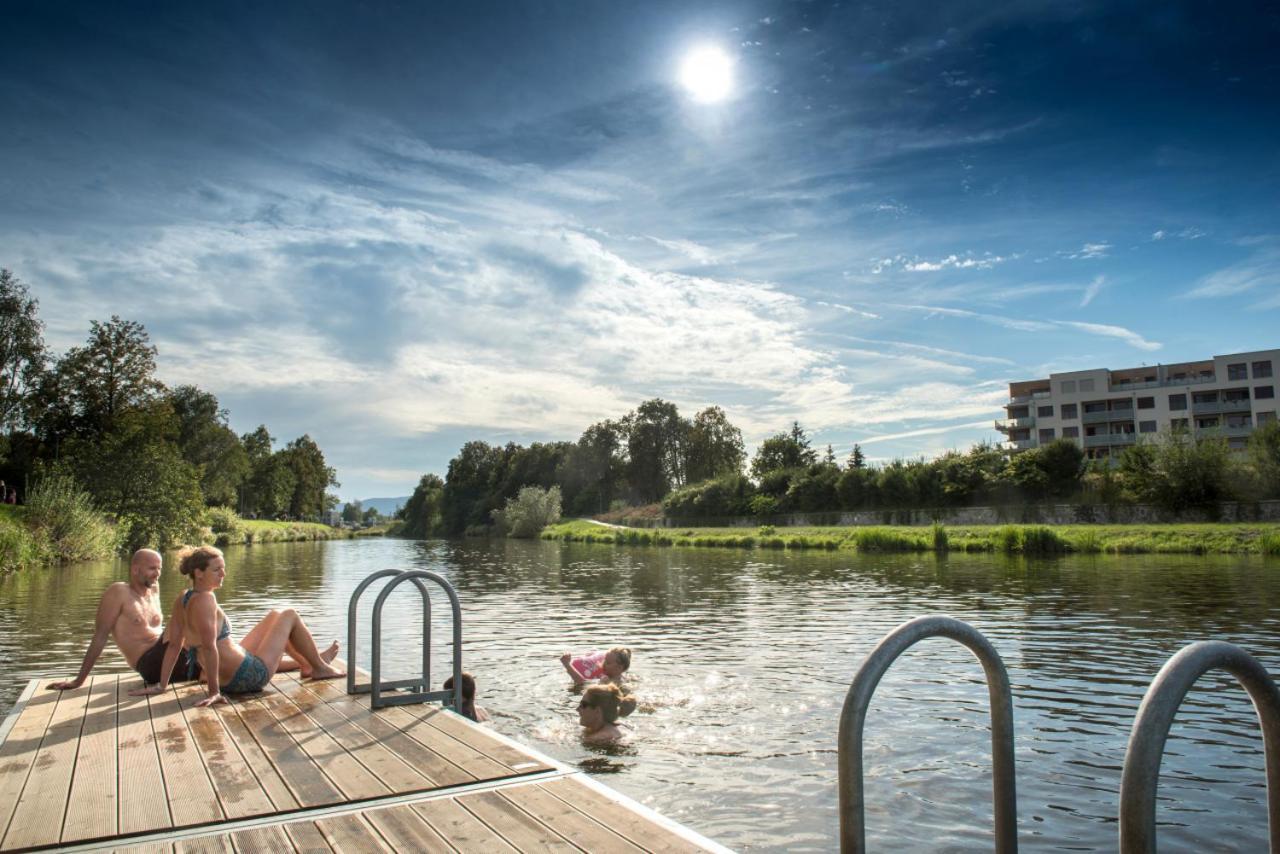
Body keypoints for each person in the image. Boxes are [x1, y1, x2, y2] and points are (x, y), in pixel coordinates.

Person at [136, 545, 343, 707]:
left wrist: (162, 685)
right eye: (217, 570)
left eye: (223, 569)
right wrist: (214, 693)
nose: (223, 574)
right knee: (289, 615)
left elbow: (174, 645)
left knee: (275, 616)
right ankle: (319, 667)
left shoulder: (184, 597)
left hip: (231, 674)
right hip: (248, 677)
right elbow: (209, 647)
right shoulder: (206, 600)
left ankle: (308, 664)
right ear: (199, 573)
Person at [49, 549, 204, 690]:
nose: (157, 573)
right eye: (152, 568)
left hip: (169, 658)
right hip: (149, 664)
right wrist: (78, 681)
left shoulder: (154, 590)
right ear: (135, 569)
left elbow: (164, 634)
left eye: (159, 568)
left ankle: (214, 674)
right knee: (187, 599)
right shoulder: (118, 592)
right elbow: (100, 637)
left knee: (218, 663)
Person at [560, 646, 631, 686]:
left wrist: (567, 665)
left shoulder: (607, 680)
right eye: (605, 660)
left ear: (619, 668)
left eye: (608, 663)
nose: (604, 663)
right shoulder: (626, 678)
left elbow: (582, 683)